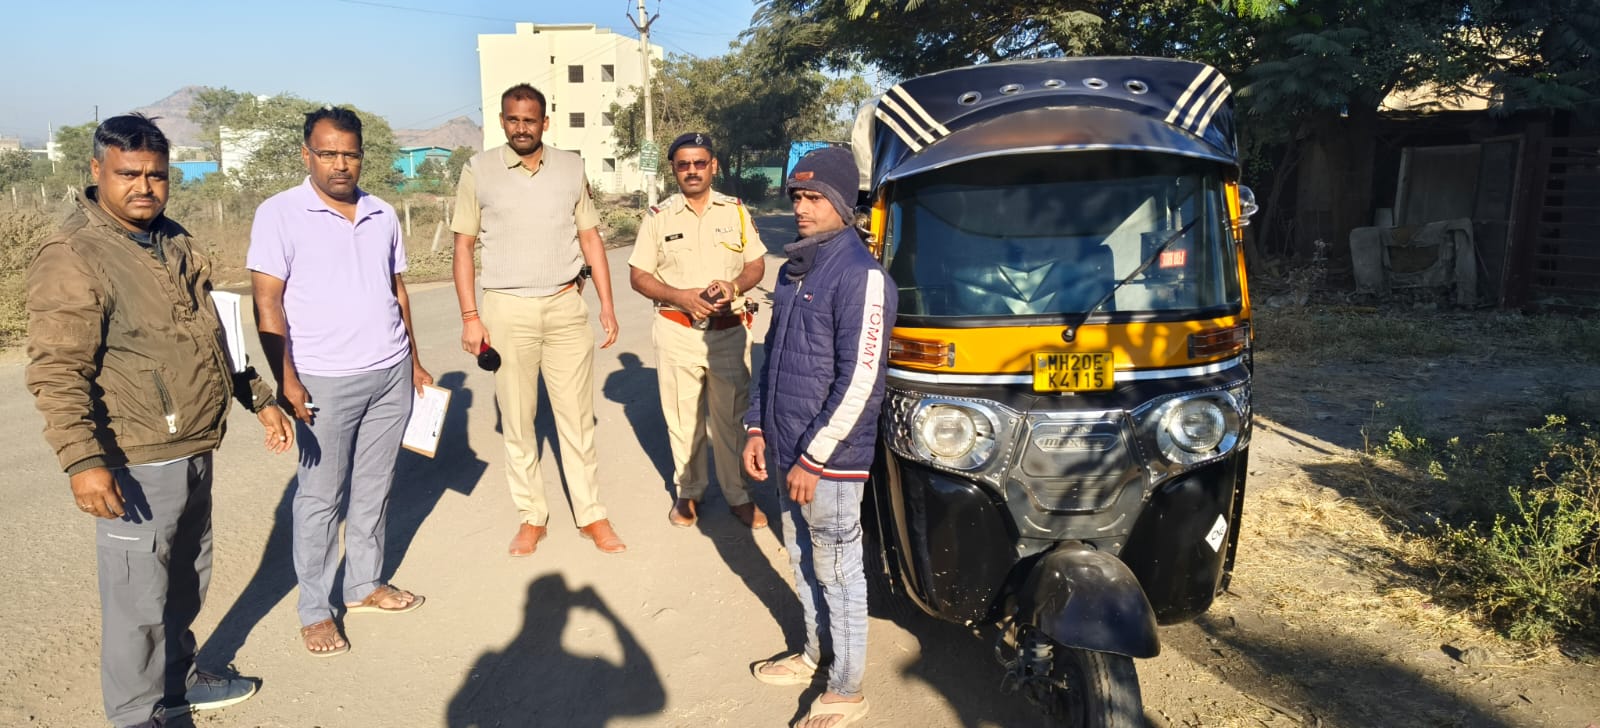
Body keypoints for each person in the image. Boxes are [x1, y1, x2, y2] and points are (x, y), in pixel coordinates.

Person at [25, 113, 295, 728]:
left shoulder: (172, 238)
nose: (144, 186)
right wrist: (84, 461)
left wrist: (258, 396)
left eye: (156, 174)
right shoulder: (74, 253)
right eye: (128, 174)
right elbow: (57, 369)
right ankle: (136, 715)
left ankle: (177, 683)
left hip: (192, 442)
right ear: (96, 172)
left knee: (184, 583)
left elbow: (213, 333)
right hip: (134, 455)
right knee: (137, 603)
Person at [248, 107, 430, 658]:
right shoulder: (279, 214)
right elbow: (267, 302)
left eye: (349, 153)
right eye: (327, 153)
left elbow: (397, 291)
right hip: (323, 382)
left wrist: (415, 362)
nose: (340, 164)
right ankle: (315, 609)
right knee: (321, 499)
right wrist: (287, 379)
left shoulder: (381, 212)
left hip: (390, 373)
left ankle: (364, 585)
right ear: (307, 154)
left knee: (375, 488)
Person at [742, 146, 895, 727]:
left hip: (825, 462)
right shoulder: (794, 270)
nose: (802, 209)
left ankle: (848, 689)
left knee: (837, 569)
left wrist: (812, 456)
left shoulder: (862, 277)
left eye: (814, 198)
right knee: (803, 560)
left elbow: (861, 382)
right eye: (797, 197)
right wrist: (757, 426)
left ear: (842, 204)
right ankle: (815, 655)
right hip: (784, 449)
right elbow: (774, 357)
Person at [451, 83, 625, 556]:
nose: (521, 128)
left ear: (545, 122)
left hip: (567, 306)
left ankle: (592, 515)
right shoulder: (479, 170)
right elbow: (463, 246)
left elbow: (590, 239)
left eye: (530, 120)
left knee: (576, 421)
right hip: (506, 310)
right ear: (502, 120)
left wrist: (606, 304)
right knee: (518, 420)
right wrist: (471, 316)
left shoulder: (571, 167)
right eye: (512, 119)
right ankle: (532, 516)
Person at [628, 132, 768, 530]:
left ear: (713, 166)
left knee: (731, 418)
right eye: (683, 164)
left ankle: (738, 496)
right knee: (682, 418)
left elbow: (756, 264)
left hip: (727, 333)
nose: (692, 170)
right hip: (677, 331)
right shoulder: (658, 218)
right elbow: (639, 276)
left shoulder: (736, 211)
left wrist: (734, 287)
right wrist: (680, 296)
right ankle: (688, 492)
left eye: (699, 163)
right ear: (674, 169)